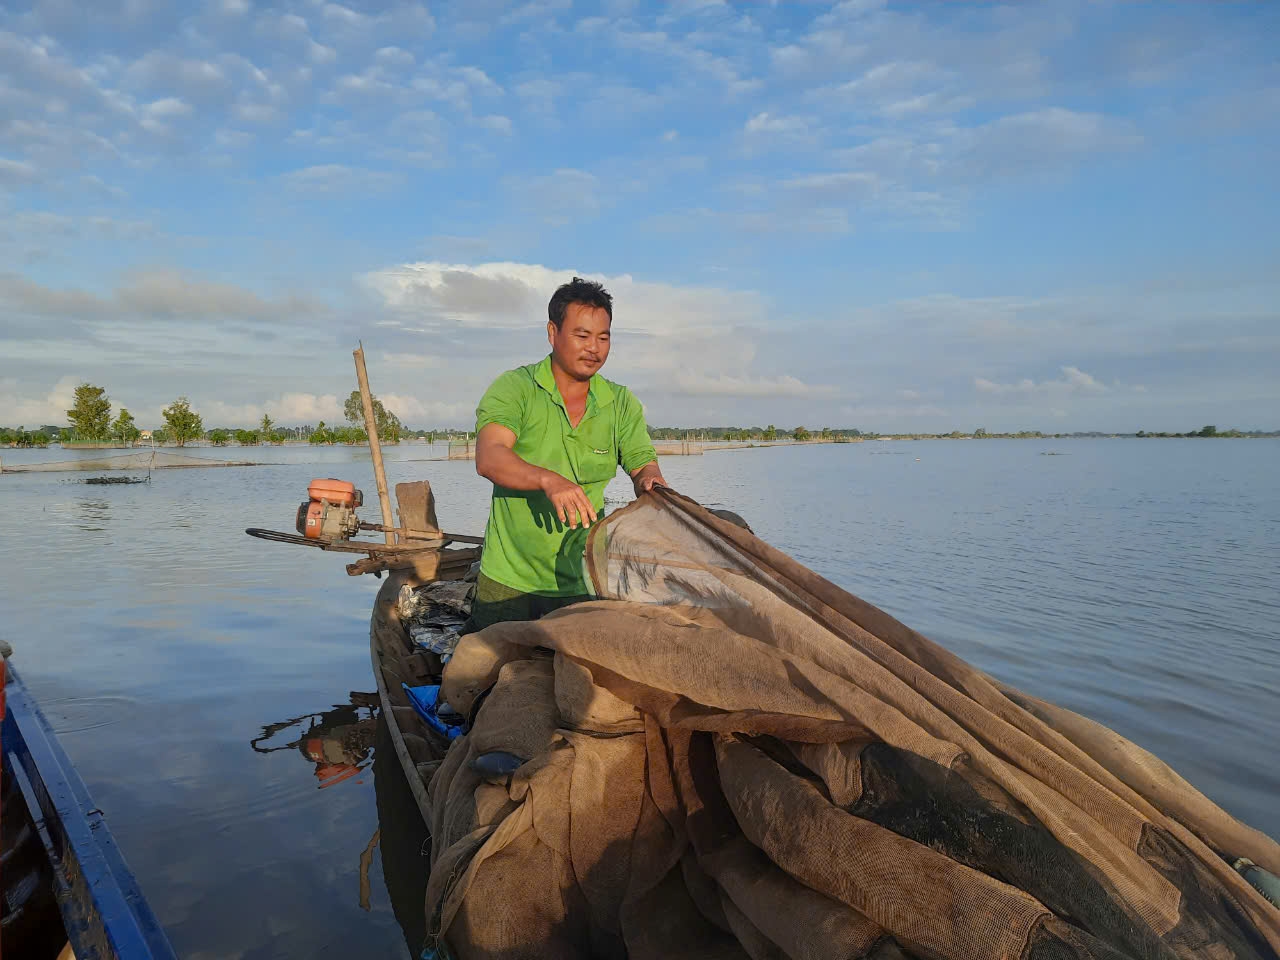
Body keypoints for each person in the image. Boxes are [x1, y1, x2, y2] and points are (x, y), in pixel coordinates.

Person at [467, 277, 666, 632]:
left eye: (603, 338)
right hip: (510, 579)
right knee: (481, 677)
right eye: (582, 335)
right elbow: (490, 456)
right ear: (552, 332)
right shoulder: (516, 388)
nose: (594, 348)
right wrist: (547, 480)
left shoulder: (619, 402)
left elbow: (641, 462)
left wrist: (651, 481)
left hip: (583, 579)